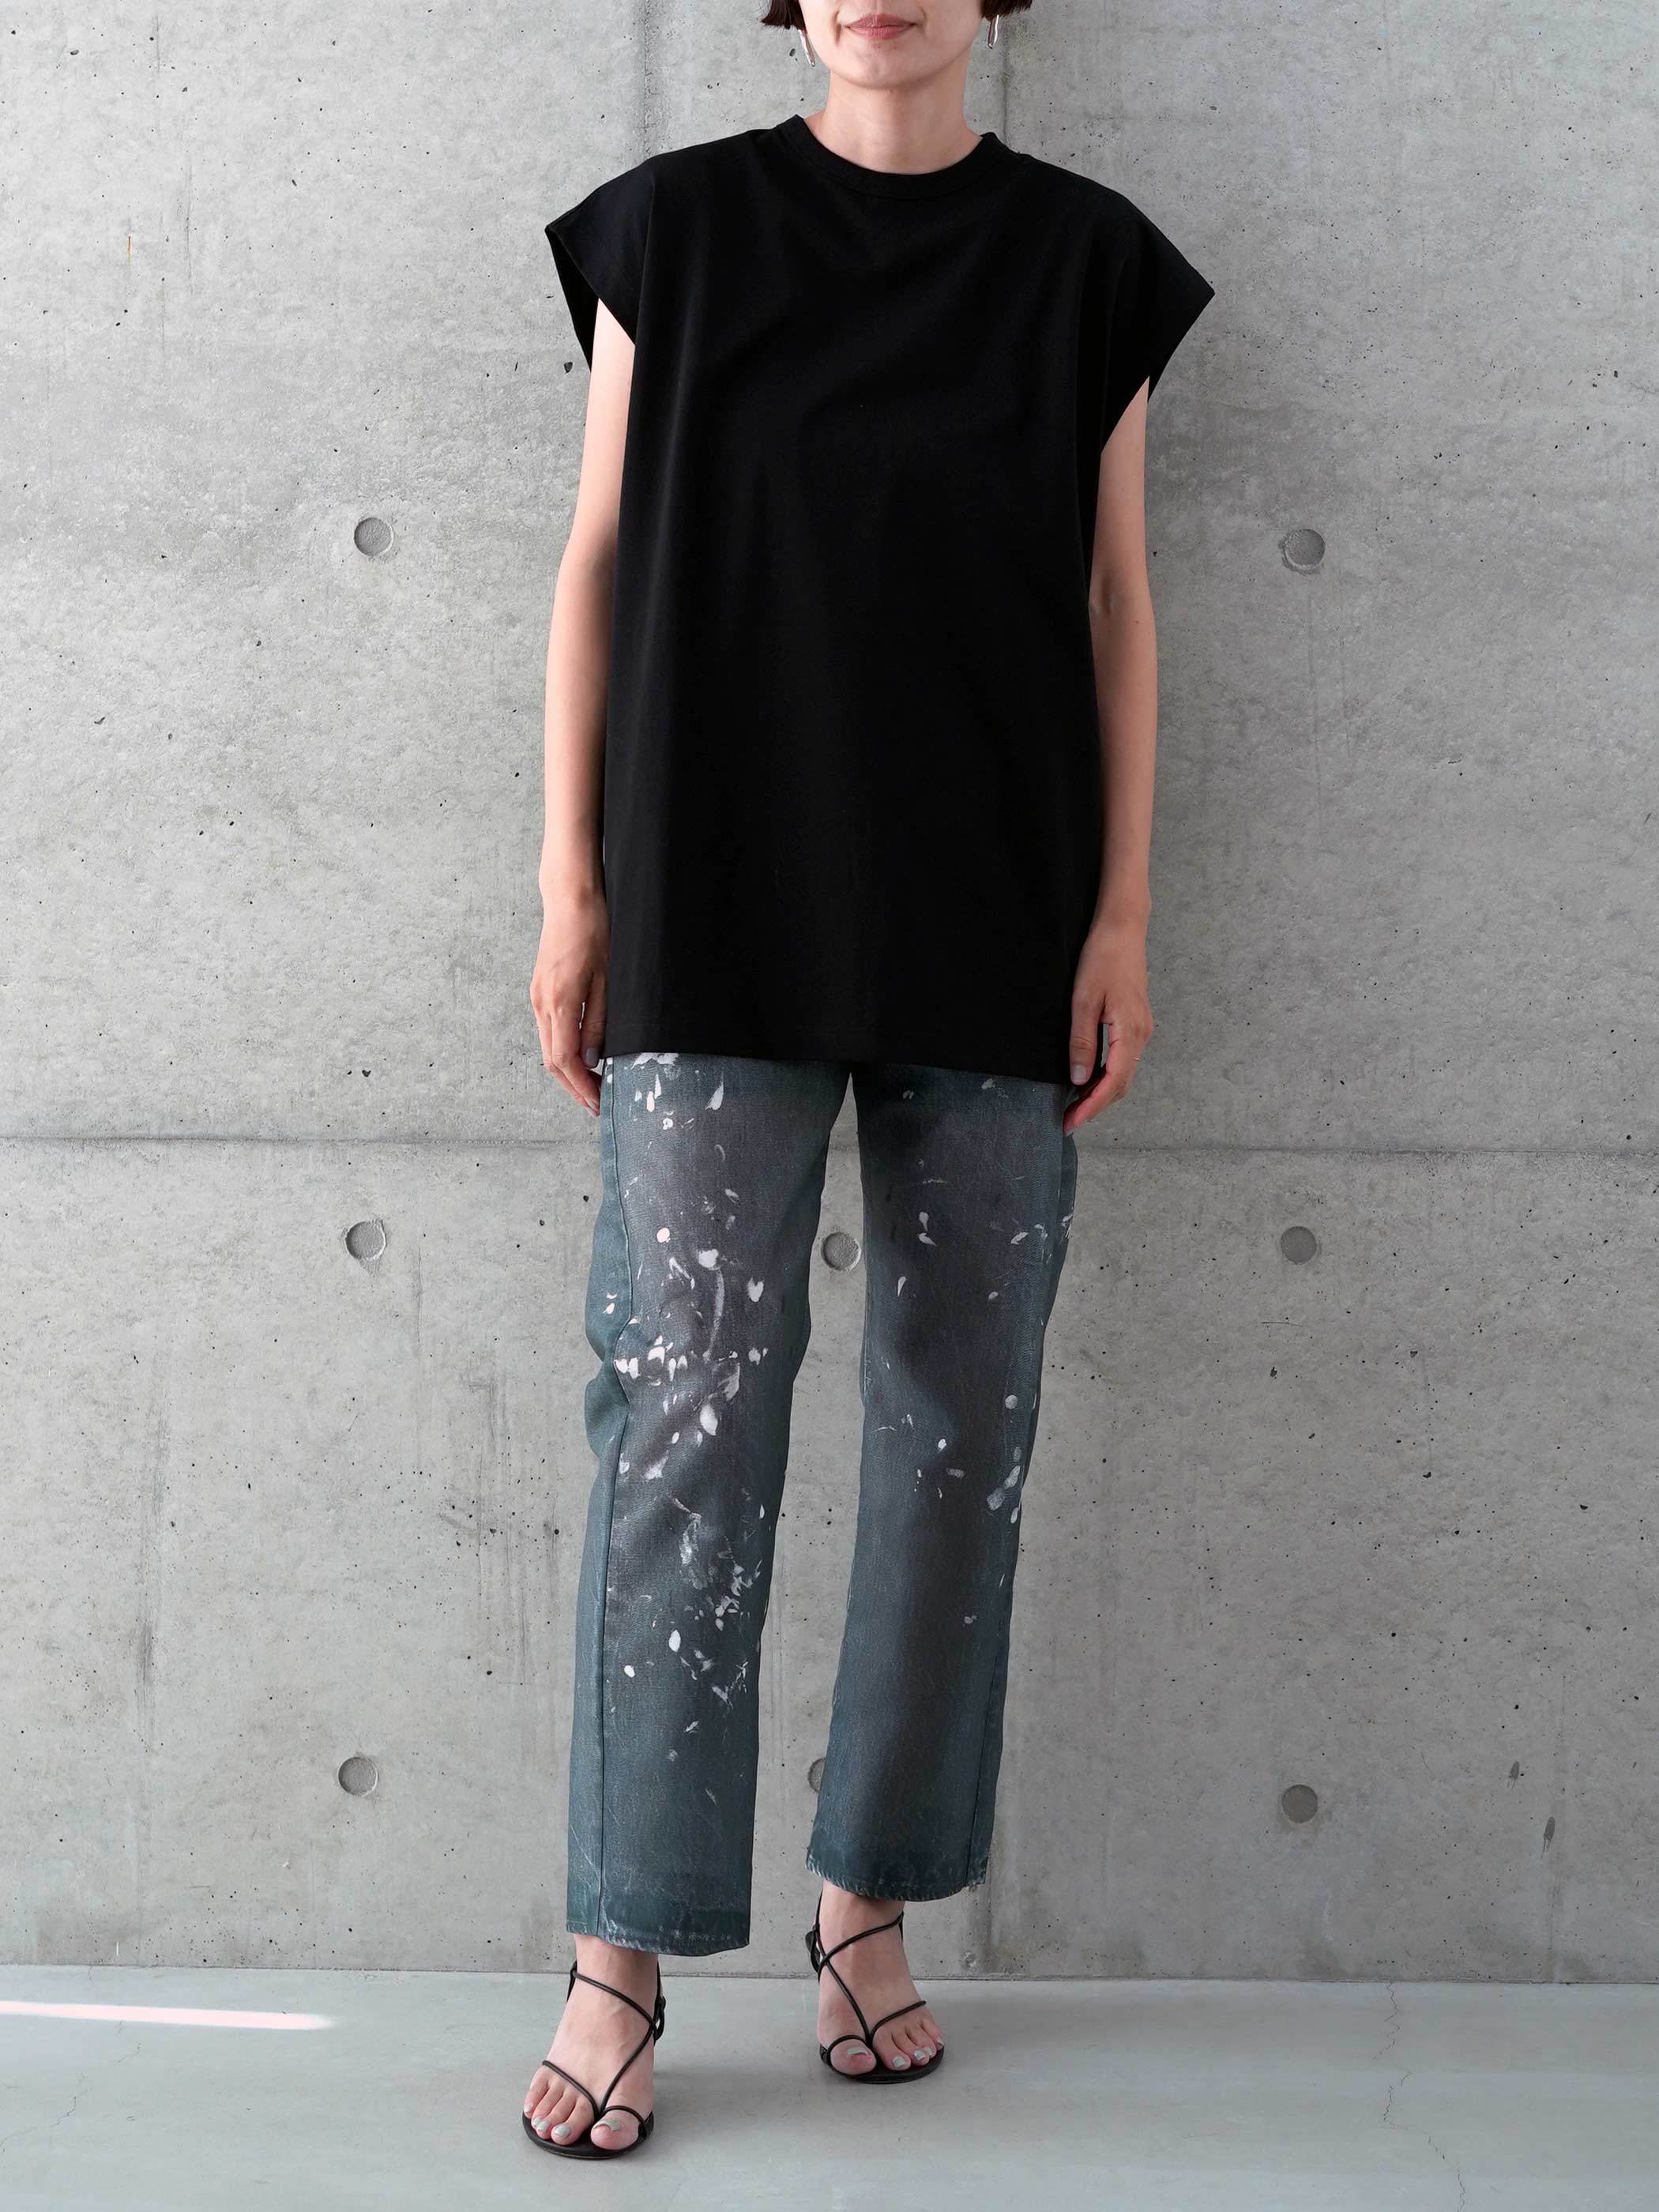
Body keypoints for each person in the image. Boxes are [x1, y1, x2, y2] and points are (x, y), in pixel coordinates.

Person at [523, 0, 1213, 2159]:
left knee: (957, 1428)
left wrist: (1121, 913)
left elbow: (1117, 598)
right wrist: (568, 883)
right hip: (710, 887)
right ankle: (619, 1953)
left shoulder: (1086, 263)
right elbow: (598, 557)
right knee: (685, 1419)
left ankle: (867, 1904)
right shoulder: (672, 233)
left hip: (994, 908)